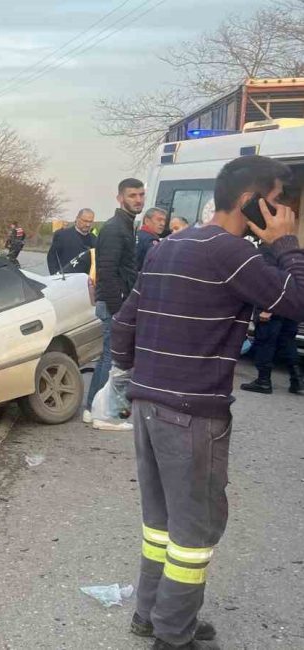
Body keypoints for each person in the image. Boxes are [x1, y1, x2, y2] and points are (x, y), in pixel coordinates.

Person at [111, 155, 304, 650]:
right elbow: (298, 301)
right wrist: (285, 243)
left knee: (161, 524)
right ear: (251, 202)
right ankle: (173, 636)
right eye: (281, 202)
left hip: (150, 406)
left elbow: (125, 321)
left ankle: (149, 616)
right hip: (192, 414)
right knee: (194, 535)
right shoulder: (235, 253)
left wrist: (131, 379)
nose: (288, 212)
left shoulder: (171, 243)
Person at [84, 178, 144, 429]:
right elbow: (106, 272)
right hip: (114, 305)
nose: (138, 200)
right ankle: (101, 413)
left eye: (141, 195)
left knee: (110, 357)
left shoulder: (126, 225)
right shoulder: (114, 228)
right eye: (132, 195)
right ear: (120, 198)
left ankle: (93, 409)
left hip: (117, 303)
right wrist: (119, 309)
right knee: (111, 357)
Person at [241, 245, 302, 394]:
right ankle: (297, 380)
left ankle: (263, 381)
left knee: (265, 342)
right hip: (291, 304)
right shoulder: (291, 250)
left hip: (273, 304)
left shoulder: (267, 250)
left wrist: (267, 308)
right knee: (288, 342)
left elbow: (269, 280)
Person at [47, 208, 97, 274]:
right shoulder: (62, 236)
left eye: (90, 222)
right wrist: (55, 276)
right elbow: (51, 257)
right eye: (85, 221)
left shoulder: (94, 239)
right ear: (77, 218)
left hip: (86, 281)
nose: (88, 225)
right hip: (67, 279)